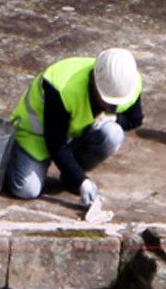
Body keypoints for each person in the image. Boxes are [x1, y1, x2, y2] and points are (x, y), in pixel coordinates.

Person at [8, 48, 143, 206]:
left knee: (113, 134)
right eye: (106, 100)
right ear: (94, 80)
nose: (110, 105)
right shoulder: (62, 86)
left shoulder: (127, 84)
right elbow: (55, 142)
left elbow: (135, 119)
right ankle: (8, 157)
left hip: (73, 134)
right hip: (35, 135)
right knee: (26, 190)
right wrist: (82, 182)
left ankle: (70, 176)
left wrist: (112, 117)